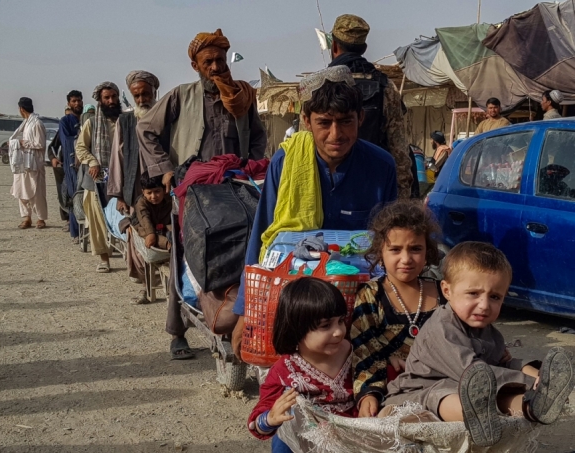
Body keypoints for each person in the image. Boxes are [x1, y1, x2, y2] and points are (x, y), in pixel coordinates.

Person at [232, 66, 398, 355]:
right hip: (299, 298)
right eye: (325, 123)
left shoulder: (382, 166)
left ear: (360, 118)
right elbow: (263, 235)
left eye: (346, 121)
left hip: (361, 301)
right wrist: (246, 309)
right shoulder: (285, 162)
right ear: (306, 121)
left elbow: (394, 242)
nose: (336, 134)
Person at [138, 29, 267, 360]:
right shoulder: (182, 96)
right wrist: (166, 169)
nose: (215, 66)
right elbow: (146, 129)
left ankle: (228, 317)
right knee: (185, 256)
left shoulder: (242, 96)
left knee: (239, 251)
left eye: (220, 60)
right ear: (194, 64)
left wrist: (250, 166)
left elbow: (257, 137)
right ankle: (177, 331)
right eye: (208, 61)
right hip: (192, 192)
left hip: (234, 190)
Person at [384, 242, 575, 447]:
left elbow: (503, 365)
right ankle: (479, 419)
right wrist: (525, 381)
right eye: (473, 294)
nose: (484, 305)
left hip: (476, 392)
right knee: (450, 396)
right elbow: (472, 371)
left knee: (501, 388)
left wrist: (535, 377)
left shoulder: (491, 333)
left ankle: (536, 404)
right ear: (447, 290)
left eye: (494, 297)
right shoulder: (442, 329)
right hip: (417, 395)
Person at [350, 200, 444, 418]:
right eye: (395, 250)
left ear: (427, 251)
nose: (406, 259)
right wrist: (369, 394)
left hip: (442, 386)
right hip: (392, 392)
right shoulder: (370, 296)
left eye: (415, 249)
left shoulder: (444, 293)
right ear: (380, 252)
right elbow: (364, 350)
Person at [247, 278, 357, 452]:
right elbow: (260, 417)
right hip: (303, 442)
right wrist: (270, 419)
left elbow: (379, 380)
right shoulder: (285, 371)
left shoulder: (357, 354)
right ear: (297, 329)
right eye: (326, 325)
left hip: (353, 440)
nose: (338, 332)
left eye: (341, 321)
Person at [329, 14, 413, 199]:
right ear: (364, 48)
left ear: (334, 46)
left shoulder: (319, 85)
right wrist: (401, 203)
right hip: (373, 189)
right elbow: (399, 152)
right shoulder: (385, 86)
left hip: (329, 190)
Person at [108, 70, 162, 301]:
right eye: (137, 95)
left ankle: (167, 285)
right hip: (134, 189)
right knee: (139, 238)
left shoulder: (165, 116)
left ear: (154, 92)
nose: (142, 100)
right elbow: (117, 158)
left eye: (146, 94)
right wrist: (120, 194)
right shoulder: (125, 121)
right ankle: (147, 287)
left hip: (161, 191)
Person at [75, 82, 122, 273]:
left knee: (122, 217)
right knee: (97, 220)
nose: (111, 101)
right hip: (97, 177)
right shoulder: (92, 123)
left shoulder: (125, 120)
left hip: (121, 176)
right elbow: (80, 147)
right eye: (106, 98)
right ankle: (104, 259)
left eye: (113, 97)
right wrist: (92, 161)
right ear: (100, 101)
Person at [10, 97, 48, 229]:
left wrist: (22, 143)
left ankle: (41, 218)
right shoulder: (25, 123)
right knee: (21, 190)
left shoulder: (37, 123)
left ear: (21, 109)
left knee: (36, 192)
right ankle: (26, 218)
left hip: (34, 164)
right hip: (22, 163)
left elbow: (40, 144)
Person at [57, 90, 84, 244]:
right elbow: (67, 141)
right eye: (74, 101)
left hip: (87, 164)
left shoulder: (87, 118)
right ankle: (76, 232)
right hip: (72, 164)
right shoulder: (65, 121)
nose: (77, 103)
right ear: (69, 103)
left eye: (79, 100)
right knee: (75, 196)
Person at [135, 174, 172, 250]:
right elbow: (145, 219)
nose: (153, 196)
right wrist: (151, 234)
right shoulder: (141, 203)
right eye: (149, 193)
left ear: (164, 190)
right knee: (144, 232)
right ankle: (168, 244)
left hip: (164, 227)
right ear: (143, 192)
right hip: (147, 228)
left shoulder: (170, 200)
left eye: (157, 191)